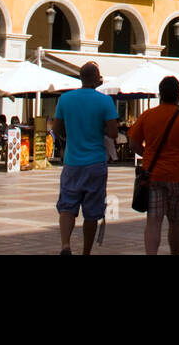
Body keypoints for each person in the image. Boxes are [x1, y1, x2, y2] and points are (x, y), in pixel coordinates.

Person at [127, 76, 179, 256]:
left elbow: (132, 143)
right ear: (178, 95)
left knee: (153, 221)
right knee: (176, 221)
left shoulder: (148, 115)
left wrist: (147, 154)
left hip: (153, 176)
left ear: (160, 94)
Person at [52, 62, 118, 256]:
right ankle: (86, 251)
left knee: (67, 206)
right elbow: (113, 133)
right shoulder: (105, 101)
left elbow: (56, 130)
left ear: (80, 78)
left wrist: (70, 134)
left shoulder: (65, 99)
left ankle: (65, 245)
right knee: (92, 211)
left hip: (72, 161)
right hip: (96, 162)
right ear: (97, 79)